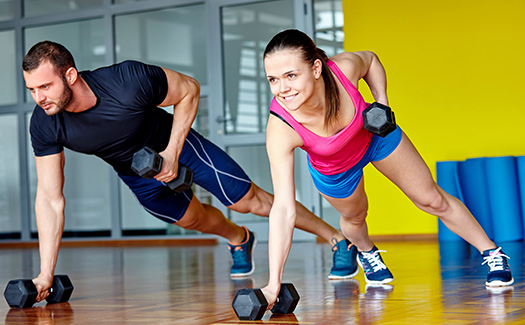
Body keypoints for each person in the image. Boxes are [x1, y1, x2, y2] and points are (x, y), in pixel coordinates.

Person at [22, 40, 356, 303]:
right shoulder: (45, 123)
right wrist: (44, 275)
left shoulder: (126, 80)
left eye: (45, 87)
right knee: (192, 219)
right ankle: (239, 238)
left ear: (69, 75)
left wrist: (172, 152)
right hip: (137, 173)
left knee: (248, 201)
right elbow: (50, 198)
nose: (39, 98)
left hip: (177, 145)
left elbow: (189, 89)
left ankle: (337, 238)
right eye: (32, 90)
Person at [261, 29, 513, 307]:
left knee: (431, 198)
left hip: (374, 136)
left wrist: (381, 102)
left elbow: (371, 60)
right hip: (335, 167)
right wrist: (274, 283)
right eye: (273, 79)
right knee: (356, 218)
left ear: (316, 68)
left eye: (291, 76)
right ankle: (367, 253)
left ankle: (492, 253)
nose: (282, 88)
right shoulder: (281, 128)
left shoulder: (343, 70)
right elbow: (283, 208)